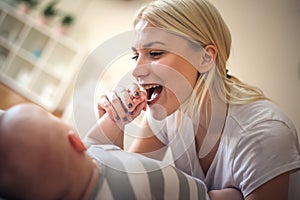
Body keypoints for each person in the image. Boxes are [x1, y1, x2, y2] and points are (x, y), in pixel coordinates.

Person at [85, 0, 300, 199]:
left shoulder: (262, 133)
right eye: (136, 56)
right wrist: (114, 123)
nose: (136, 71)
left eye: (156, 53)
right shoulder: (167, 108)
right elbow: (126, 188)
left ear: (205, 58)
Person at [0, 103, 245, 200]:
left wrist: (118, 115)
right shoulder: (88, 154)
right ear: (74, 141)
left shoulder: (91, 154)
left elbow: (107, 129)